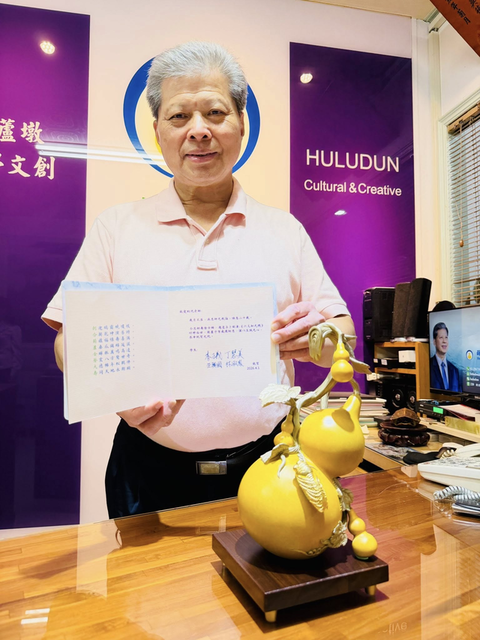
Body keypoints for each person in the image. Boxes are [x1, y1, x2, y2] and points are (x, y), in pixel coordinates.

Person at [42, 42, 355, 518]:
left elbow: (343, 336)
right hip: (147, 471)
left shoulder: (284, 230)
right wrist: (115, 389)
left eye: (215, 112)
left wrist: (317, 337)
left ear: (241, 124)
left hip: (270, 464)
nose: (199, 130)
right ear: (157, 132)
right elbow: (66, 341)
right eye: (179, 116)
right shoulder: (117, 227)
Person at [430, 322, 461, 392]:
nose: (444, 341)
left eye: (446, 337)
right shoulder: (428, 366)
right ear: (434, 341)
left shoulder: (455, 370)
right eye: (441, 337)